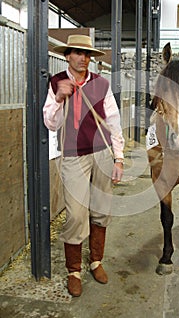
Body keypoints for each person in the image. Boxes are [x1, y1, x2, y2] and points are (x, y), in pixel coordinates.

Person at [43, 34, 125, 297]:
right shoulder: (57, 82)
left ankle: (96, 261)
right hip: (73, 155)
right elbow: (50, 123)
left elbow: (113, 120)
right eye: (78, 53)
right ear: (67, 55)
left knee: (101, 209)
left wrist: (119, 158)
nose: (83, 59)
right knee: (77, 214)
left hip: (101, 152)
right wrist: (58, 98)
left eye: (87, 54)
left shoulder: (101, 84)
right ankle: (73, 270)